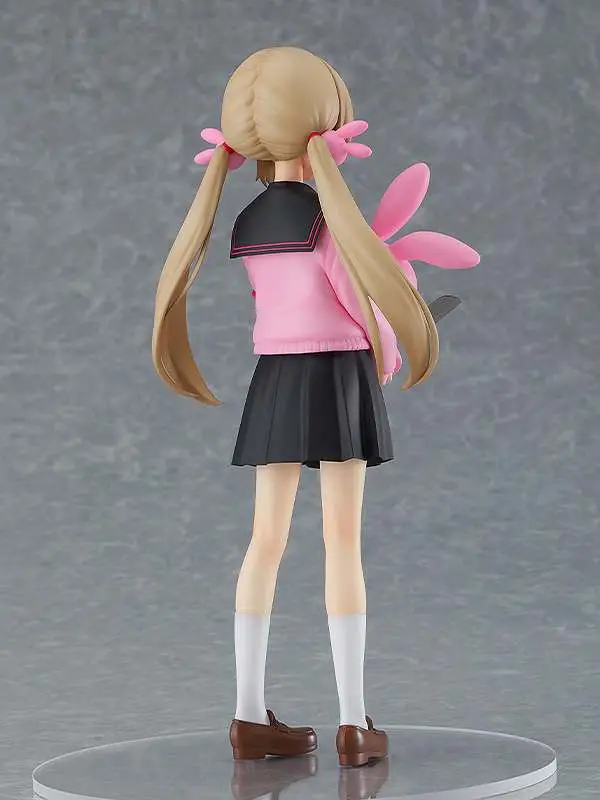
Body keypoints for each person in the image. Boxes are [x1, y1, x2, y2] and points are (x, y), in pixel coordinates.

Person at [152, 45, 479, 767]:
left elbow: (271, 303)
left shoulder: (245, 224)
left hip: (274, 379)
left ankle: (247, 713)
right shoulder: (329, 225)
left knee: (263, 542)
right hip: (336, 377)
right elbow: (361, 311)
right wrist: (393, 345)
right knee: (342, 541)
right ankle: (354, 721)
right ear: (327, 128)